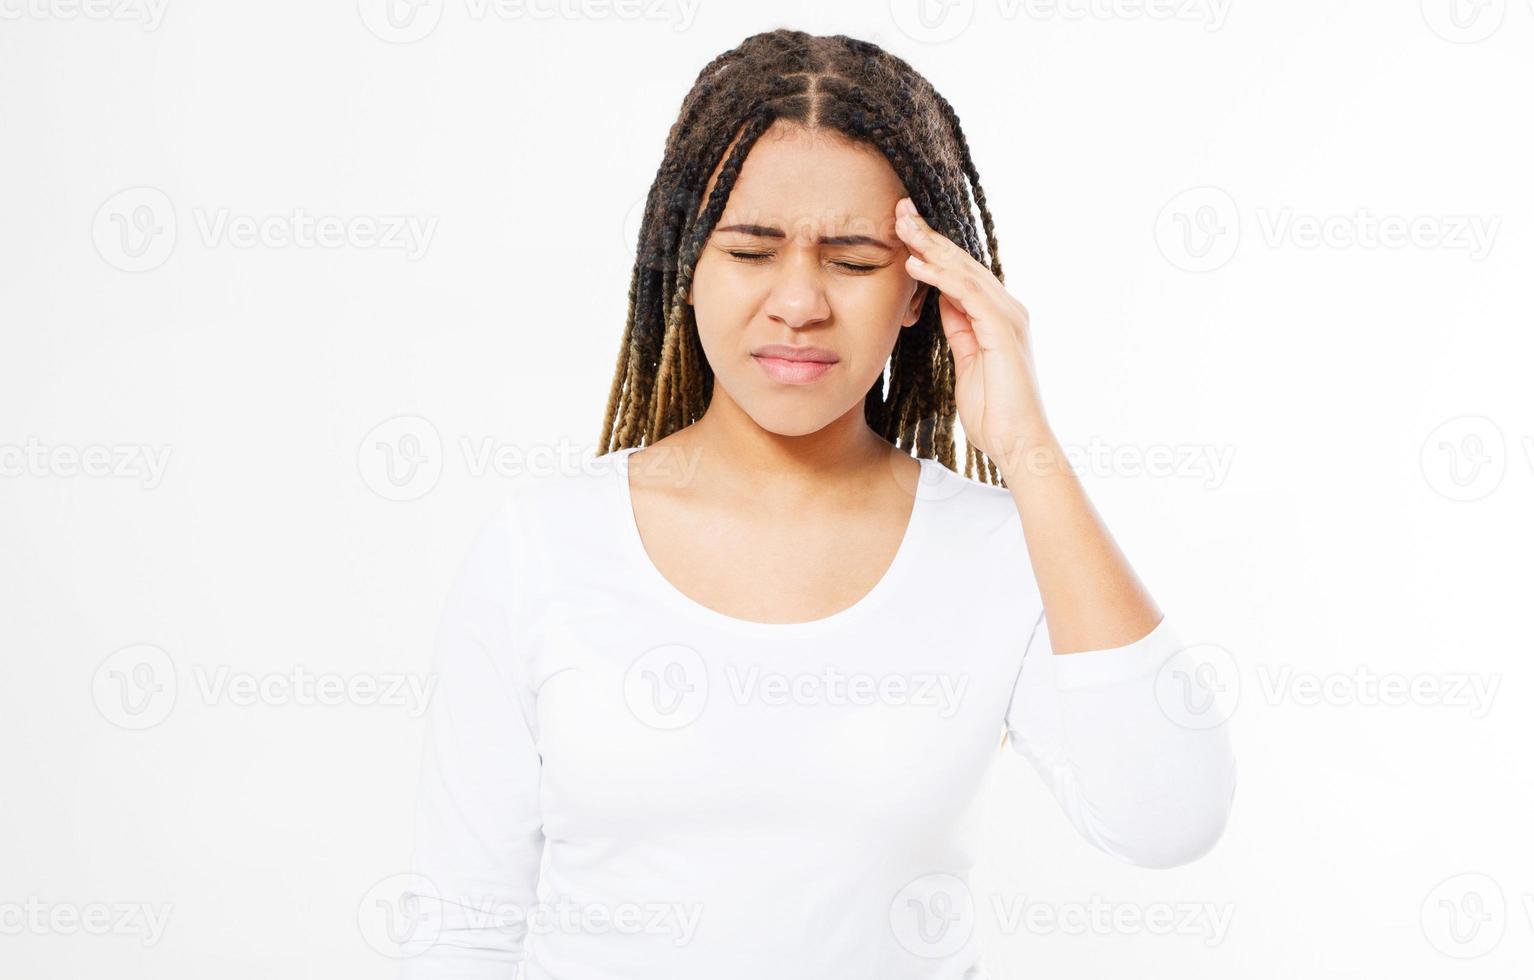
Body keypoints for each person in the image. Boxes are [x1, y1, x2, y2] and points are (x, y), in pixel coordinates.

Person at [401, 28, 1236, 979]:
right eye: (752, 250)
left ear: (922, 290)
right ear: (687, 264)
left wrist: (1030, 451)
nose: (799, 302)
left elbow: (1170, 818)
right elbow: (458, 932)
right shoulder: (541, 548)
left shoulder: (1002, 551)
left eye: (851, 260)